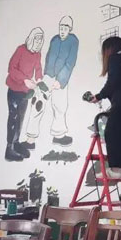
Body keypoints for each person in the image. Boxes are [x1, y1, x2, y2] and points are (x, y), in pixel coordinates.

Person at [88, 36, 121, 180]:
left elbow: (112, 82)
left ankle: (115, 168)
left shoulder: (115, 58)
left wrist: (99, 96)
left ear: (109, 49)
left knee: (112, 133)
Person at [26, 16, 79, 148]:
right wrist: (45, 75)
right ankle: (30, 138)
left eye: (65, 28)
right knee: (37, 104)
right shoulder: (54, 39)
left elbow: (70, 62)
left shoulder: (73, 41)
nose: (62, 31)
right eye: (61, 28)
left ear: (70, 29)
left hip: (61, 79)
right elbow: (49, 56)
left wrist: (61, 80)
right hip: (48, 76)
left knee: (60, 106)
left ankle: (58, 135)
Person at [5, 27, 44, 161]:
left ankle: (16, 144)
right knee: (13, 118)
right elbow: (11, 68)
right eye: (37, 41)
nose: (38, 44)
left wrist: (39, 80)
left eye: (41, 42)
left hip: (25, 92)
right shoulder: (21, 49)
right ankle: (9, 148)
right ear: (31, 39)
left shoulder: (37, 54)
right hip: (14, 89)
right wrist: (25, 80)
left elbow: (38, 68)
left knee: (20, 119)